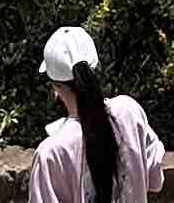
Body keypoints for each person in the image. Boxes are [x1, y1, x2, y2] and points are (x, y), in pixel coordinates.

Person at [30, 25, 166, 203]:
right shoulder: (129, 111)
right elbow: (156, 180)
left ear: (55, 87)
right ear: (94, 70)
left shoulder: (50, 154)